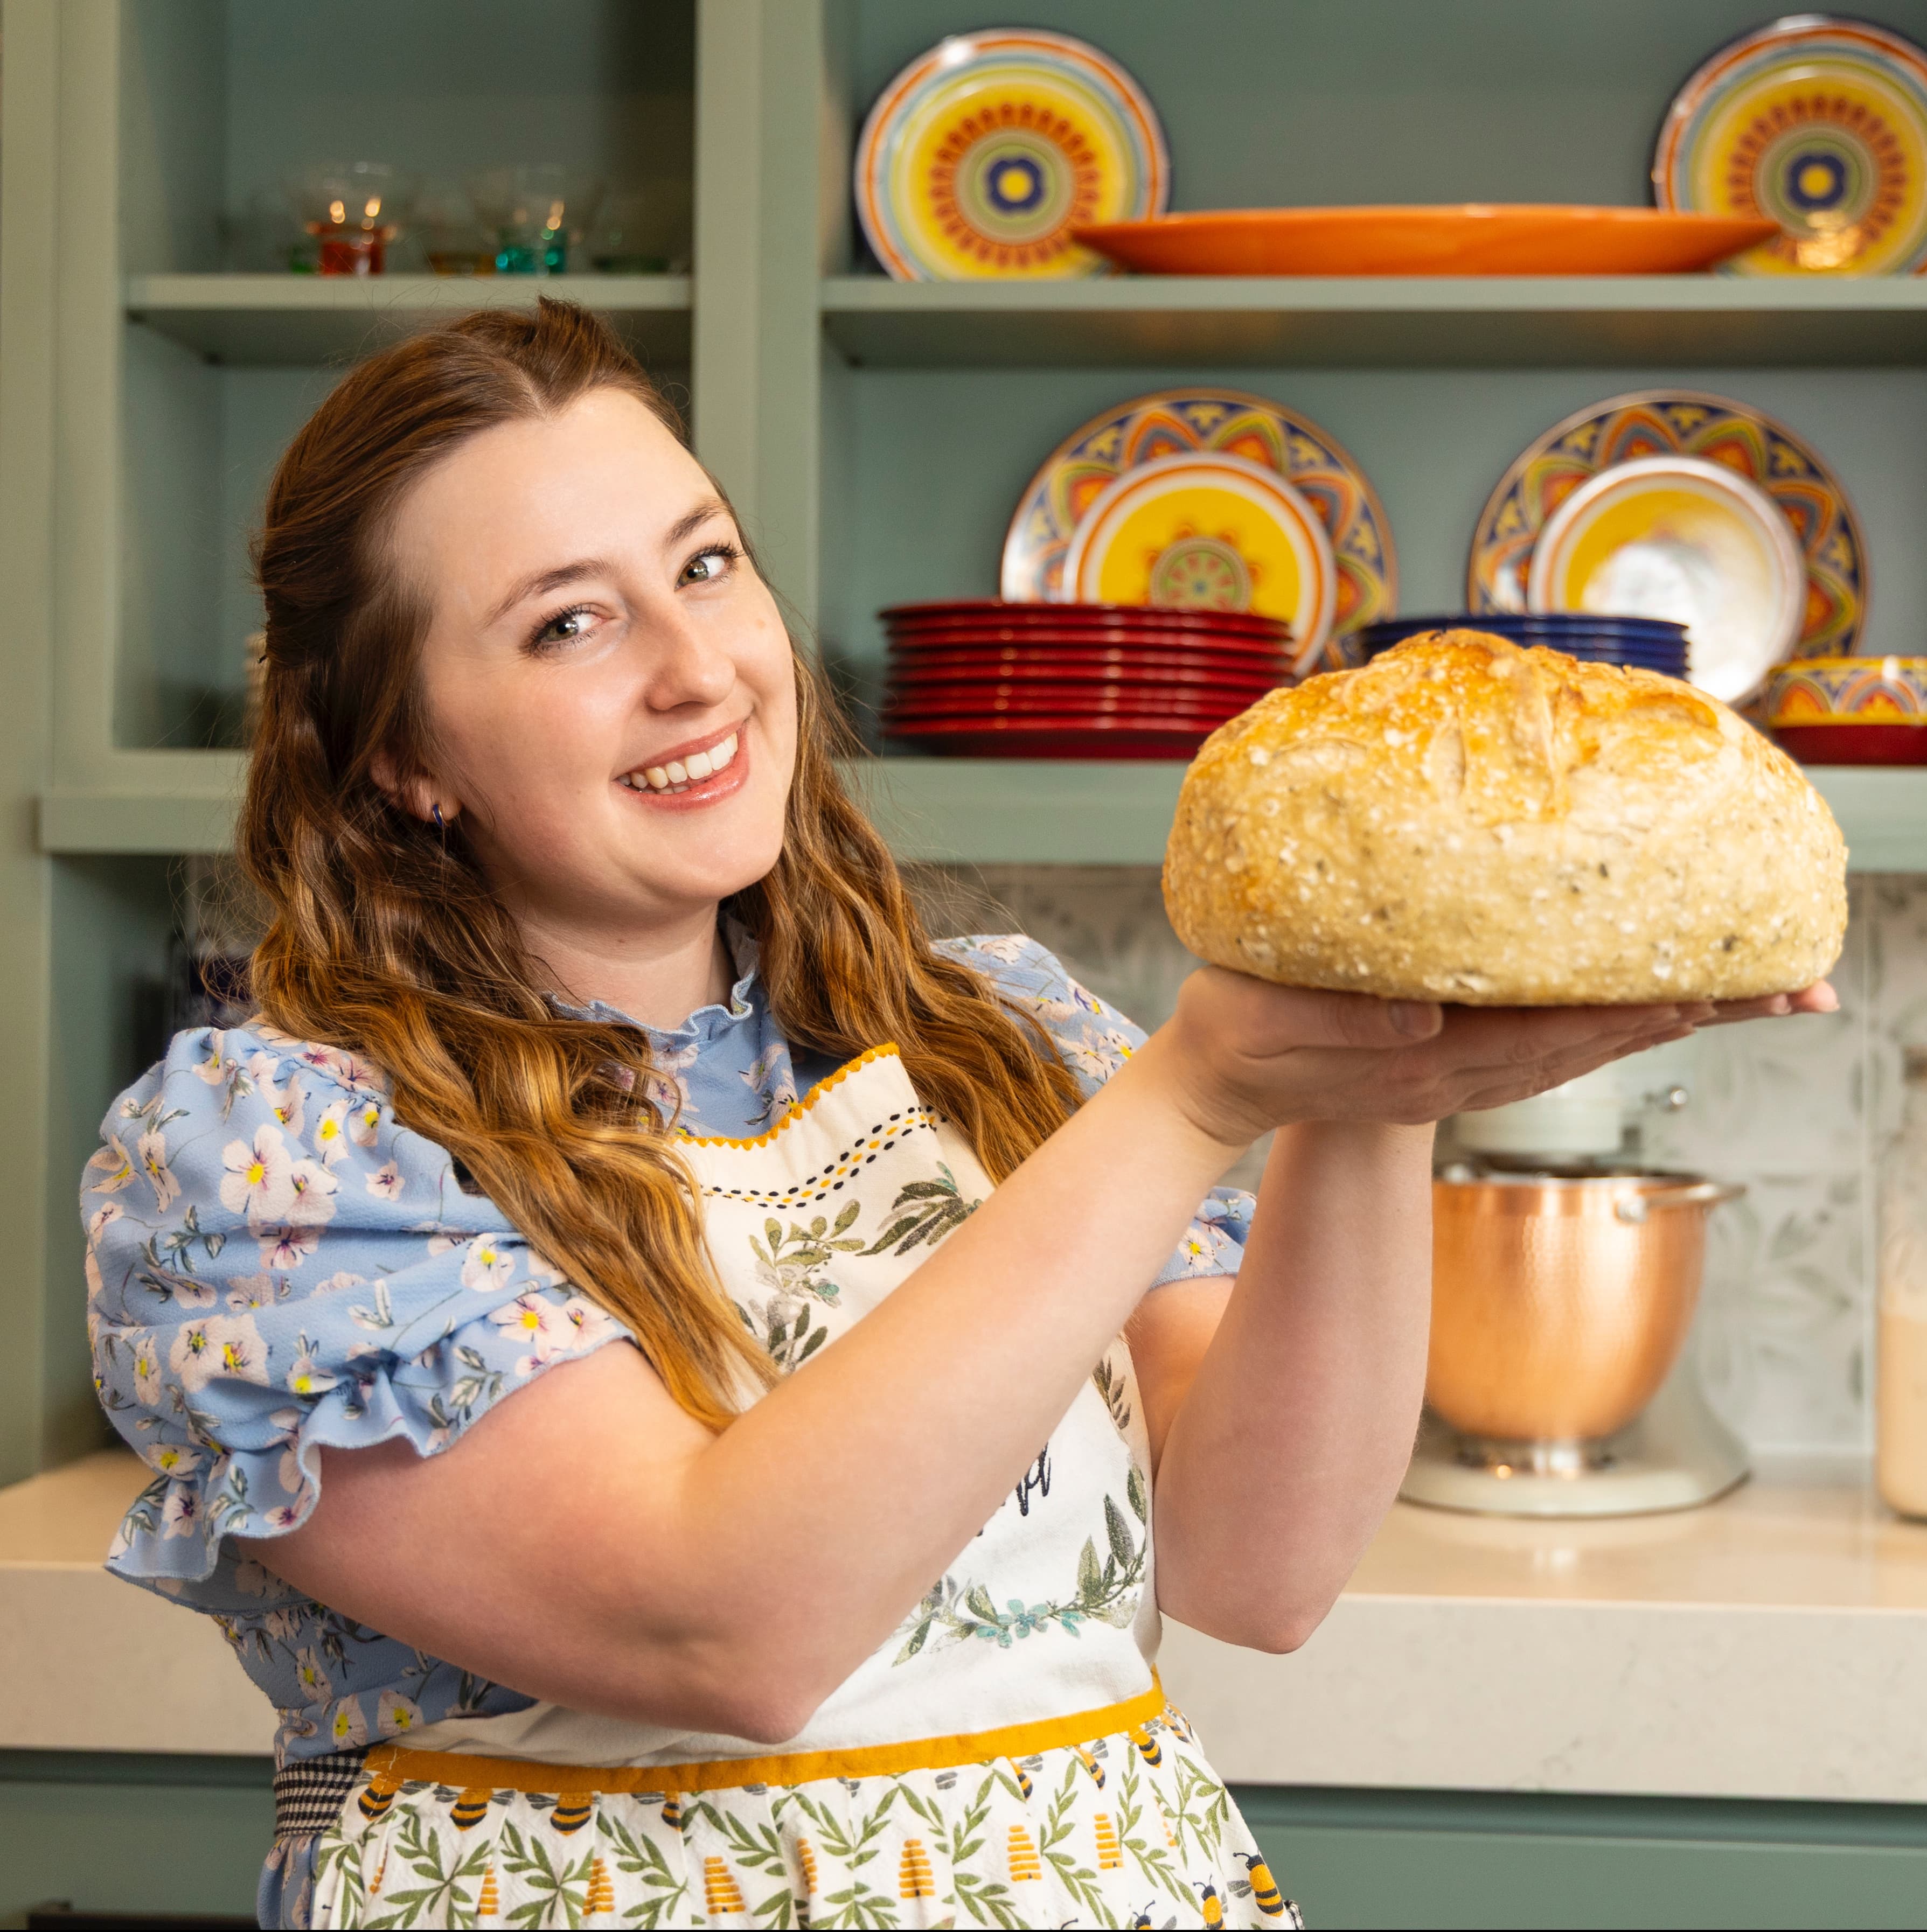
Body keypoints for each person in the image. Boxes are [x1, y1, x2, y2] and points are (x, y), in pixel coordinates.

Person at [81, 299, 1832, 1930]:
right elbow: (722, 1625)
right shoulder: (272, 1159)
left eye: (706, 565)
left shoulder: (994, 1034)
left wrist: (1384, 1078)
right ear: (400, 752)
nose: (698, 668)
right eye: (570, 622)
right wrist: (1197, 1092)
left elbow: (1260, 1557)